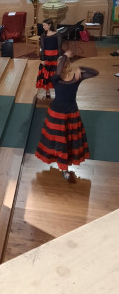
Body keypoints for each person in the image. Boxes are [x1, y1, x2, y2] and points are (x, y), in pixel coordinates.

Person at [35, 50, 99, 182]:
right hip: (56, 115)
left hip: (71, 114)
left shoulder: (76, 77)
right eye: (60, 64)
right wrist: (64, 57)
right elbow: (58, 71)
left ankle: (65, 168)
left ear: (66, 65)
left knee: (68, 142)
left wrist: (81, 68)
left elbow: (95, 73)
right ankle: (63, 167)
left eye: (61, 64)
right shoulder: (55, 78)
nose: (60, 67)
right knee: (58, 142)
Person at [36, 18, 62, 99]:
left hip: (55, 57)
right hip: (46, 57)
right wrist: (42, 59)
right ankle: (47, 92)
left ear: (50, 25)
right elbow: (42, 48)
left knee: (56, 75)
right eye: (43, 25)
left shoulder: (57, 34)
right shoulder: (43, 36)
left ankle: (58, 92)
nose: (43, 27)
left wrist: (60, 58)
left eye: (45, 25)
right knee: (46, 75)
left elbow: (59, 47)